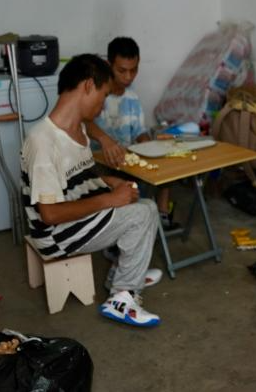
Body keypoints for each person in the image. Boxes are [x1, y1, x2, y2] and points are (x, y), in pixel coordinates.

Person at [22, 53, 163, 327]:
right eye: (104, 94)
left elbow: (78, 178)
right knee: (143, 213)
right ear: (88, 86)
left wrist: (109, 182)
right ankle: (122, 296)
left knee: (142, 204)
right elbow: (49, 214)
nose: (104, 103)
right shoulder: (43, 141)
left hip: (77, 221)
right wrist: (110, 199)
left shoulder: (78, 130)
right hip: (57, 236)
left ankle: (124, 274)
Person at [86, 37, 175, 227]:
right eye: (122, 70)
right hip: (97, 162)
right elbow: (83, 121)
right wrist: (105, 140)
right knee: (123, 186)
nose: (128, 77)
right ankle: (124, 227)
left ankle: (162, 215)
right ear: (109, 65)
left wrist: (150, 145)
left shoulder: (132, 97)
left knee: (166, 169)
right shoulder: (95, 91)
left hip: (125, 162)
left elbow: (139, 131)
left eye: (134, 70)